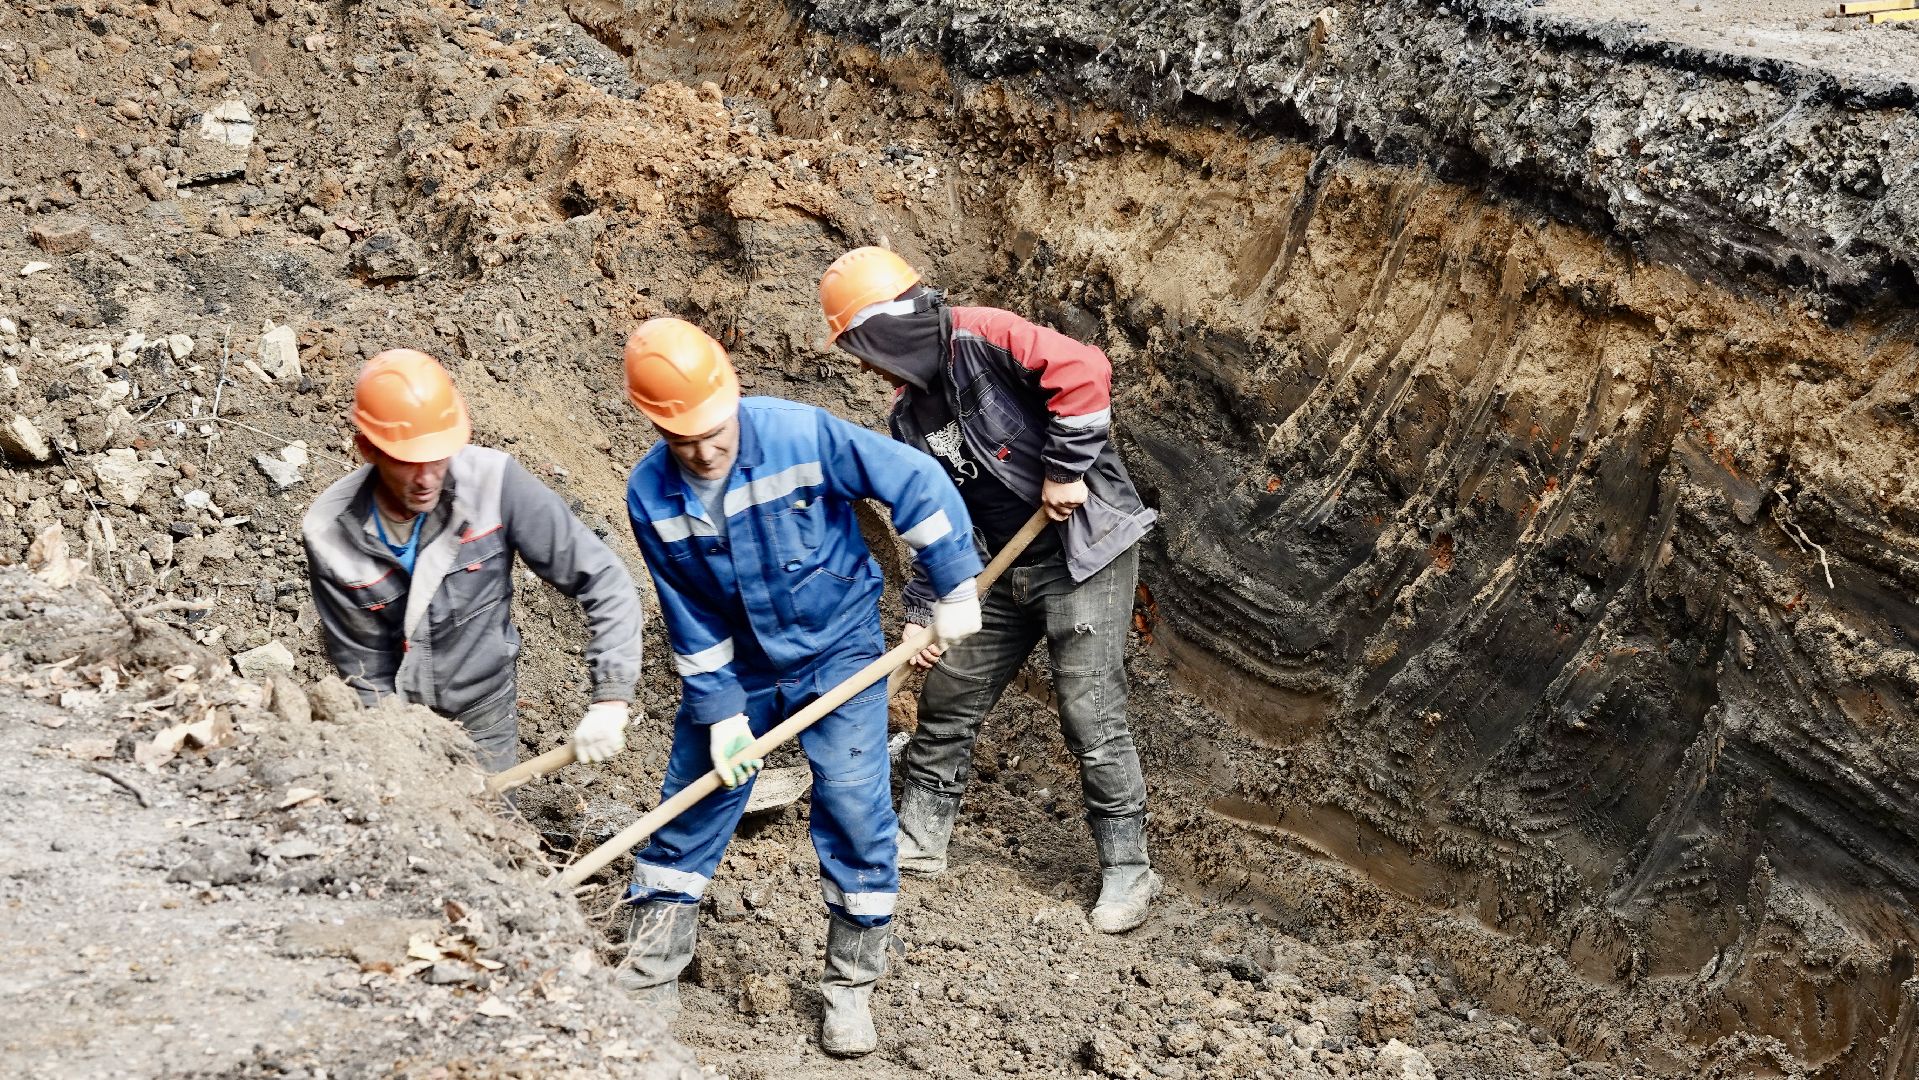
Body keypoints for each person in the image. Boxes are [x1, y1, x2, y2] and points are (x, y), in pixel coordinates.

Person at [617, 317, 982, 1055]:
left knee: (853, 806)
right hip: (741, 667)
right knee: (693, 801)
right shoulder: (650, 495)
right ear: (654, 424)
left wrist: (952, 584)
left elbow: (912, 481)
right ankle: (649, 974)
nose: (706, 447)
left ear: (733, 391)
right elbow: (687, 615)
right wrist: (720, 715)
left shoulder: (796, 433)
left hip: (839, 651)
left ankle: (849, 988)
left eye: (714, 427)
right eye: (684, 437)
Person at [819, 247, 1161, 933]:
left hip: (1082, 554)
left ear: (884, 331)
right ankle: (919, 837)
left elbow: (1083, 370)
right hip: (997, 571)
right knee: (949, 693)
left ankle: (1129, 868)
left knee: (1088, 710)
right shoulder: (910, 418)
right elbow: (932, 523)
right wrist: (923, 615)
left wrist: (1065, 469)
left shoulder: (983, 334)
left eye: (859, 348)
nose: (861, 366)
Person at [302, 348, 642, 773]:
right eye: (408, 462)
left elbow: (604, 579)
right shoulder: (329, 531)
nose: (427, 478)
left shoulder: (494, 484)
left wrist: (611, 697)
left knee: (494, 829)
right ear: (367, 448)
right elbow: (362, 664)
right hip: (400, 717)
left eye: (438, 456)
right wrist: (393, 746)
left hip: (484, 710)